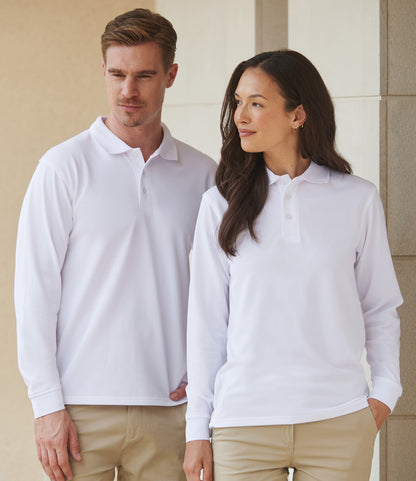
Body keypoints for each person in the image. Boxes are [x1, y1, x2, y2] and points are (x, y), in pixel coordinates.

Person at [15, 8, 216, 481]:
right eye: (117, 74)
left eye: (144, 75)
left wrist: (206, 382)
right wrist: (46, 405)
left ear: (170, 75)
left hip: (172, 412)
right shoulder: (63, 167)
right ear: (102, 71)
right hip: (79, 413)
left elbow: (225, 290)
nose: (129, 90)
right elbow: (35, 291)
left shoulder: (204, 175)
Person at [183, 50, 402, 481]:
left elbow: (379, 306)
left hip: (338, 421)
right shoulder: (219, 205)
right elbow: (206, 323)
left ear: (297, 114)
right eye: (238, 102)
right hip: (243, 425)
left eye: (256, 103)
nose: (240, 116)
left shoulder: (356, 199)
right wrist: (196, 429)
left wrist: (385, 393)